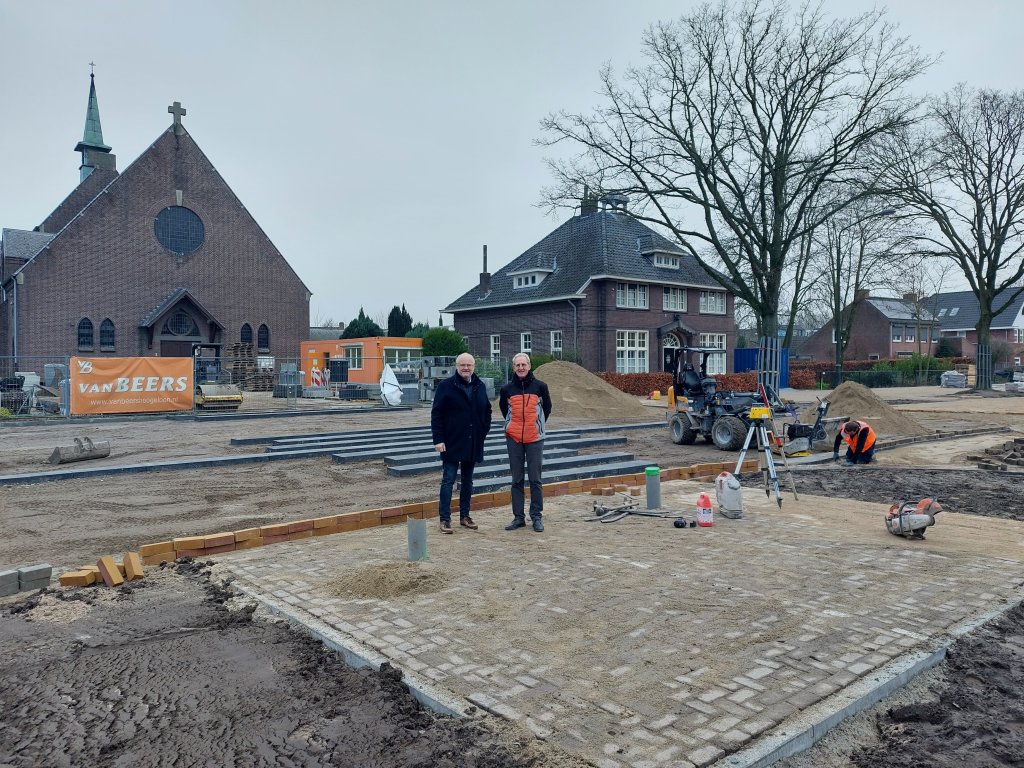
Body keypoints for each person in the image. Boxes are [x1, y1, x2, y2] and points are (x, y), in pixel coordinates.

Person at [430, 353, 492, 534]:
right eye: (463, 365)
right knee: (448, 480)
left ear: (474, 366)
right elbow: (437, 414)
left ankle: (465, 516)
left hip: (472, 441)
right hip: (451, 441)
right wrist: (438, 439)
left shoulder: (479, 386)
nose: (466, 368)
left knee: (467, 481)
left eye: (469, 365)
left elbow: (487, 409)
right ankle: (444, 519)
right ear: (456, 366)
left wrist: (483, 430)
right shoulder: (446, 386)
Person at [499, 353, 552, 532]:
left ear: (529, 366)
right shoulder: (506, 389)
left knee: (536, 479)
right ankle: (518, 517)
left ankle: (536, 516)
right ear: (513, 367)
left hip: (535, 438)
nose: (521, 368)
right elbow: (503, 409)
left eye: (523, 364)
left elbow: (547, 409)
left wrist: (536, 425)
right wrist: (512, 426)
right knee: (517, 479)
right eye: (517, 365)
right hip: (514, 438)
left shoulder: (540, 387)